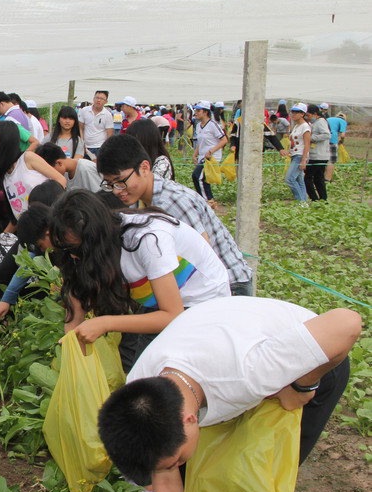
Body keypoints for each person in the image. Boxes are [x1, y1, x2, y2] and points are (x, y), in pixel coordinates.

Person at [97, 297, 360, 492]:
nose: (166, 471)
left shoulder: (249, 373)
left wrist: (302, 385)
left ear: (191, 420)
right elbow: (164, 477)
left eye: (171, 462)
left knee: (260, 476)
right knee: (196, 473)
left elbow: (347, 322)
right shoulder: (139, 390)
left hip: (316, 352)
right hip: (228, 333)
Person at [48, 190, 230, 369]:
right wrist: (74, 353)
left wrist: (104, 324)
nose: (72, 256)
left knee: (162, 378)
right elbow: (75, 311)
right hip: (160, 304)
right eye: (66, 249)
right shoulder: (88, 248)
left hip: (203, 305)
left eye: (76, 249)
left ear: (94, 239)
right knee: (142, 375)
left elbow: (172, 315)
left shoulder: (149, 239)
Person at [96, 135, 254, 295]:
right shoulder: (138, 199)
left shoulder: (173, 203)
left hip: (229, 285)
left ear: (144, 168)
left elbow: (205, 262)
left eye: (120, 181)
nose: (116, 190)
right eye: (110, 184)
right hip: (197, 284)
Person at [190, 101, 227, 208]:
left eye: (198, 110)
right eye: (195, 110)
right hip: (202, 156)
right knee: (203, 178)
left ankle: (207, 201)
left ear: (206, 112)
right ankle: (209, 200)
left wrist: (211, 151)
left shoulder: (213, 125)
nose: (196, 112)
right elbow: (199, 143)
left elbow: (224, 140)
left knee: (197, 176)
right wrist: (195, 154)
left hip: (211, 157)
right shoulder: (198, 126)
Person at [34, 142, 103, 193]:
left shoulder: (86, 169)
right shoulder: (65, 172)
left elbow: (101, 197)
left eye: (51, 170)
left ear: (59, 163)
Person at [284, 103, 311, 207]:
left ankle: (301, 202)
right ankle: (304, 201)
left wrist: (304, 160)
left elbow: (307, 144)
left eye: (296, 112)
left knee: (290, 179)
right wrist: (289, 151)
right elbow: (295, 143)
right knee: (299, 180)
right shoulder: (296, 126)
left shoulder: (305, 127)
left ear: (302, 114)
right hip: (295, 155)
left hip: (300, 156)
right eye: (292, 112)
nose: (293, 114)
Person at [304, 104, 331, 202]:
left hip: (318, 156)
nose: (307, 117)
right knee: (318, 178)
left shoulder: (320, 122)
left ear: (315, 114)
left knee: (307, 178)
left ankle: (314, 199)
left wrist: (311, 138)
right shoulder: (317, 122)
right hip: (320, 155)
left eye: (308, 115)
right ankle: (323, 199)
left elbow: (327, 135)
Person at [78, 91, 114, 157]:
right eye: (97, 97)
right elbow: (80, 127)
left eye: (102, 99)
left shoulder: (107, 115)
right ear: (93, 99)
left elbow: (110, 133)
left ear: (106, 101)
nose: (98, 100)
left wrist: (105, 148)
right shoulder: (84, 111)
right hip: (85, 146)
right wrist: (82, 142)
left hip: (99, 147)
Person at [325, 110, 347, 181]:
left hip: (323, 140)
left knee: (323, 159)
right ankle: (328, 178)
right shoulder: (343, 121)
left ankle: (320, 177)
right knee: (331, 160)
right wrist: (341, 141)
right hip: (332, 140)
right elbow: (342, 135)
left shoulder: (328, 119)